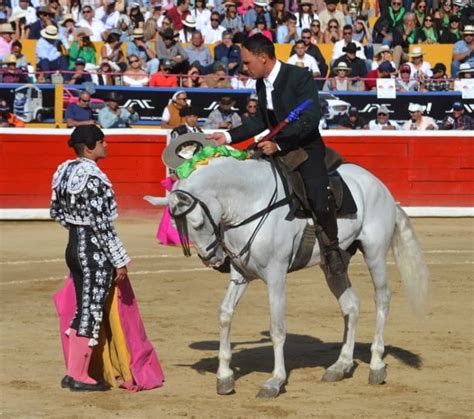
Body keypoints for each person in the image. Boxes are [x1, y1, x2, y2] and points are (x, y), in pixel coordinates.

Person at [206, 33, 350, 286]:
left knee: (317, 192)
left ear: (263, 58)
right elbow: (261, 121)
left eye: (248, 62)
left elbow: (310, 119)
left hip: (305, 147)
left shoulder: (299, 77)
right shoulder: (261, 83)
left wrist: (280, 143)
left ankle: (332, 248)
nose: (245, 67)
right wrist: (228, 137)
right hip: (273, 147)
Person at [50, 125, 130, 391]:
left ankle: (72, 371)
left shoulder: (63, 171)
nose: (106, 146)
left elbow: (56, 211)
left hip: (73, 246)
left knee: (83, 308)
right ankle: (79, 376)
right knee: (90, 311)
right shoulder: (93, 178)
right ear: (90, 146)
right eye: (102, 142)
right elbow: (102, 225)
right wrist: (119, 259)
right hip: (94, 253)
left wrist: (76, 229)